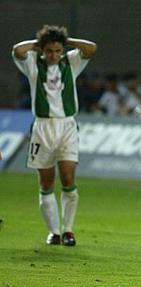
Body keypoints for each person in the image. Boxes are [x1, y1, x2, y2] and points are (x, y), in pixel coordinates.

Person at [12, 25, 97, 246]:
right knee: (46, 182)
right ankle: (54, 232)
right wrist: (38, 43)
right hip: (42, 127)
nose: (54, 55)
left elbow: (91, 48)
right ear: (42, 50)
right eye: (49, 50)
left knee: (68, 178)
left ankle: (68, 230)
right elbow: (17, 51)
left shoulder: (70, 62)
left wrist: (68, 41)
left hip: (66, 127)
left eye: (58, 50)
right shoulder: (33, 64)